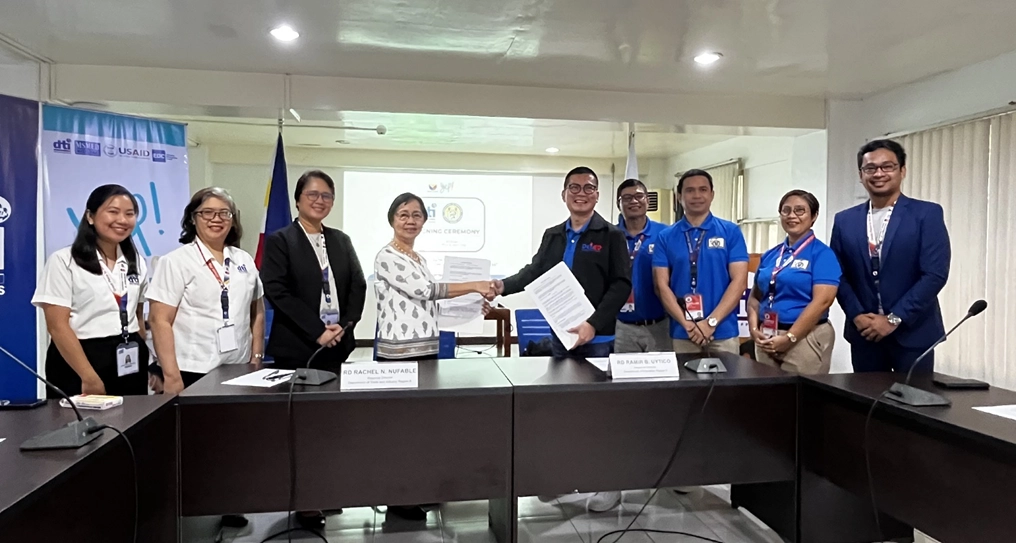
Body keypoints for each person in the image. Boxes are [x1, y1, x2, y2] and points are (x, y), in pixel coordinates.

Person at [373, 192, 493, 526]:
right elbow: (426, 291)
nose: (410, 221)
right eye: (403, 214)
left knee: (421, 426)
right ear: (392, 219)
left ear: (425, 221)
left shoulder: (418, 258)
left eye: (417, 215)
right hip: (399, 355)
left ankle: (418, 487)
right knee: (401, 429)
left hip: (425, 350)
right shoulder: (386, 256)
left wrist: (473, 305)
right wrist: (476, 285)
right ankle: (398, 497)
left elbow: (430, 305)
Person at [830, 139, 951, 373]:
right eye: (870, 168)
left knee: (913, 396)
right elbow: (837, 274)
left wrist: (894, 319)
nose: (879, 173)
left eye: (887, 166)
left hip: (913, 333)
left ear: (902, 171)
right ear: (861, 175)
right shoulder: (845, 220)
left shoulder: (926, 214)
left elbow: (934, 274)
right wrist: (856, 315)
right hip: (865, 334)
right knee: (866, 396)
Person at [493, 166, 631, 359]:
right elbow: (535, 271)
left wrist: (593, 324)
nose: (581, 193)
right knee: (559, 380)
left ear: (597, 195)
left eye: (588, 188)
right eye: (574, 187)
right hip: (561, 336)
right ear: (563, 194)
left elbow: (621, 285)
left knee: (594, 381)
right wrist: (503, 286)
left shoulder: (612, 235)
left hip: (597, 338)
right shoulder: (553, 235)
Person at [32, 185, 150, 397]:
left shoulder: (136, 261)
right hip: (81, 358)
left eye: (129, 214)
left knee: (134, 416)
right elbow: (57, 326)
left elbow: (138, 314)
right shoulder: (64, 261)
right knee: (81, 418)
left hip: (129, 354)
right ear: (90, 216)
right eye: (113, 212)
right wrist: (88, 376)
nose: (122, 220)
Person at [148, 188, 266, 392]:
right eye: (207, 212)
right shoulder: (175, 262)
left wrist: (256, 357)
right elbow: (159, 320)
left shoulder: (244, 260)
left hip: (239, 367)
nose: (216, 219)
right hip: (192, 369)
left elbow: (257, 312)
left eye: (224, 213)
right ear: (193, 218)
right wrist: (171, 375)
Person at [262, 170, 366, 372]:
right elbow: (277, 291)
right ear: (297, 200)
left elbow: (358, 285)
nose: (320, 200)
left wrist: (344, 327)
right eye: (312, 194)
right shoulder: (281, 240)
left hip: (337, 343)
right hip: (296, 346)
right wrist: (318, 332)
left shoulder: (341, 240)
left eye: (326, 196)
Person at [653, 169, 749, 356]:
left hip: (723, 331)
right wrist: (687, 324)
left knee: (727, 376)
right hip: (683, 332)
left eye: (703, 190)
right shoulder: (665, 237)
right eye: (690, 190)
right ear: (679, 196)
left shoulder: (731, 232)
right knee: (685, 376)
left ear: (712, 194)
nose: (696, 195)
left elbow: (739, 281)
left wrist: (711, 323)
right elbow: (661, 285)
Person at [747, 190, 841, 374]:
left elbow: (823, 301)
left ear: (814, 216)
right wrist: (753, 329)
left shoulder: (822, 254)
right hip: (767, 336)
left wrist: (790, 337)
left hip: (805, 338)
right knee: (767, 390)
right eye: (786, 210)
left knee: (801, 391)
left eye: (800, 210)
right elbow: (755, 298)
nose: (792, 215)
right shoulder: (771, 255)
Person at [614, 179, 670, 353]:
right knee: (623, 371)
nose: (634, 201)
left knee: (662, 371)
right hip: (622, 326)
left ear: (647, 200)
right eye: (627, 198)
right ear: (618, 204)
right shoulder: (610, 236)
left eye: (639, 196)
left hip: (660, 324)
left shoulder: (665, 234)